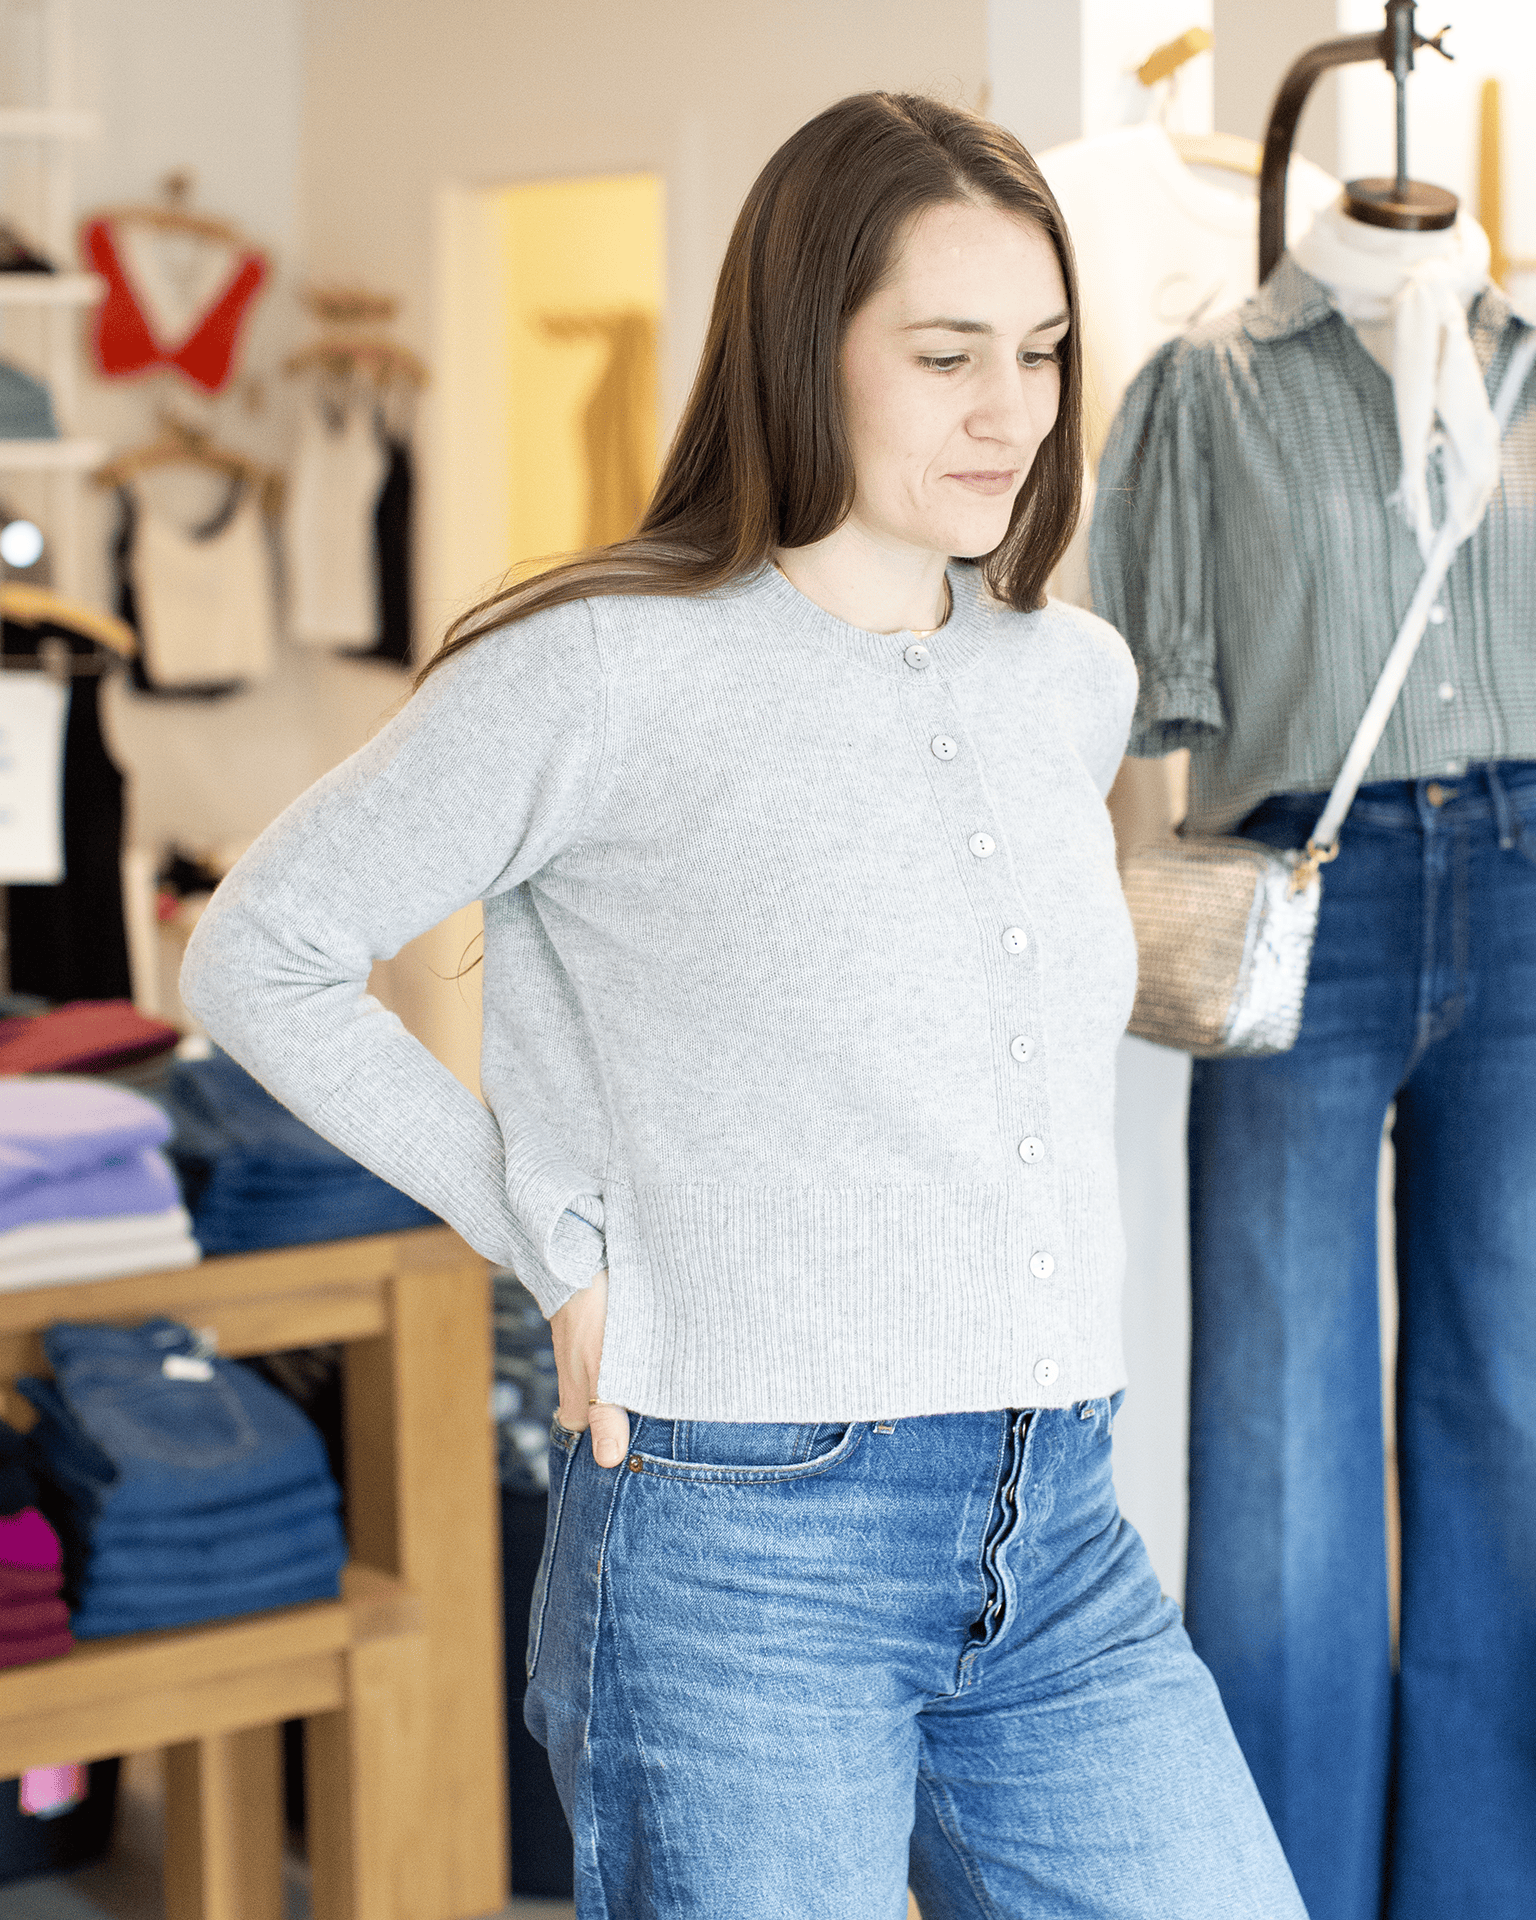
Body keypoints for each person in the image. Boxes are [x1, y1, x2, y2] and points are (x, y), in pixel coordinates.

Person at [181, 92, 1305, 1920]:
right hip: (739, 1549)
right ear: (804, 352)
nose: (1010, 412)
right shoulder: (604, 668)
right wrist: (553, 1236)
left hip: (1060, 1523)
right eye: (946, 356)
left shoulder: (1066, 680)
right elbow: (259, 952)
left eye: (1038, 353)